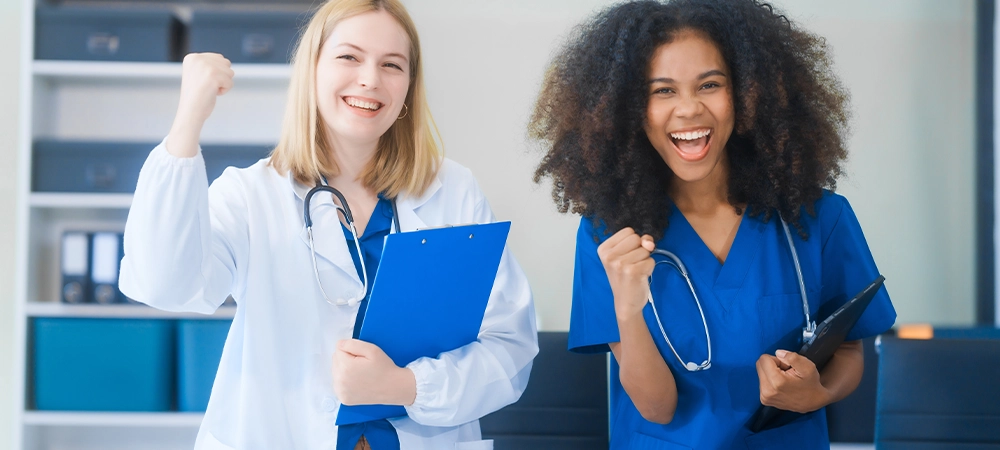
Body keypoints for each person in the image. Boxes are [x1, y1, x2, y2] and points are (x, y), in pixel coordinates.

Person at [119, 1, 537, 448]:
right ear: (312, 70)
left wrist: (405, 386)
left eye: (392, 65)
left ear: (409, 88)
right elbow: (165, 285)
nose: (370, 79)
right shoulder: (250, 195)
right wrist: (188, 122)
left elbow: (509, 344)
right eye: (349, 57)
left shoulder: (453, 191)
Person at [530, 0, 896, 448]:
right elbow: (657, 407)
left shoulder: (819, 218)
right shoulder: (609, 238)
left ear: (746, 95)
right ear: (629, 110)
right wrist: (627, 310)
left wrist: (816, 393)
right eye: (662, 90)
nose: (688, 109)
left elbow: (848, 350)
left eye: (710, 84)